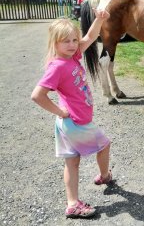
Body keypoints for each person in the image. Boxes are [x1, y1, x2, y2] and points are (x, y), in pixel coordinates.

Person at [31, 11, 112, 219]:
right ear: (55, 43)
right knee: (104, 144)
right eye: (65, 41)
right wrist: (59, 111)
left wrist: (100, 19)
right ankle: (104, 176)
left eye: (74, 40)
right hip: (76, 122)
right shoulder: (57, 66)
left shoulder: (73, 56)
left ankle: (72, 203)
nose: (73, 44)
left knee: (72, 162)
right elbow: (37, 96)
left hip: (66, 124)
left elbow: (90, 37)